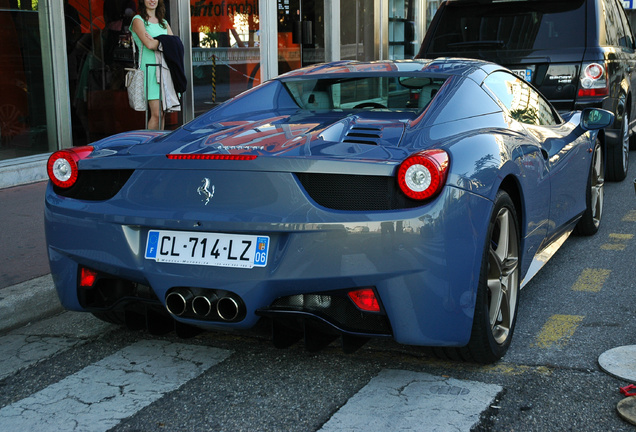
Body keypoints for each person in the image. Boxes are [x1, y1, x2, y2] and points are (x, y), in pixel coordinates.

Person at [129, 0, 173, 130]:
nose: (152, 0)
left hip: (164, 70)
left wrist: (156, 41)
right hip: (150, 71)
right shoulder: (138, 20)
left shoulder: (163, 22)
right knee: (156, 114)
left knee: (162, 114)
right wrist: (163, 42)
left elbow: (175, 44)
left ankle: (158, 145)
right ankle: (150, 148)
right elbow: (149, 45)